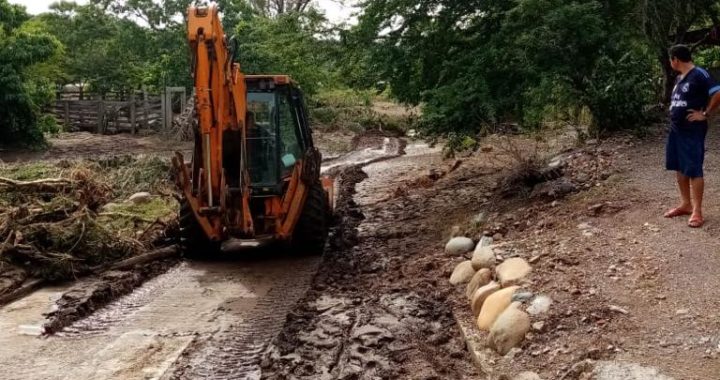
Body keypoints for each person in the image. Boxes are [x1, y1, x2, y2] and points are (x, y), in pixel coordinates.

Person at [664, 45, 720, 227]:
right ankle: (685, 204)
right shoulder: (679, 78)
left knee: (694, 168)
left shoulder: (700, 74)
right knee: (680, 167)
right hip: (676, 130)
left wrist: (705, 114)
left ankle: (697, 211)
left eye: (670, 60)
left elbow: (717, 93)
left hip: (692, 130)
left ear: (675, 59)